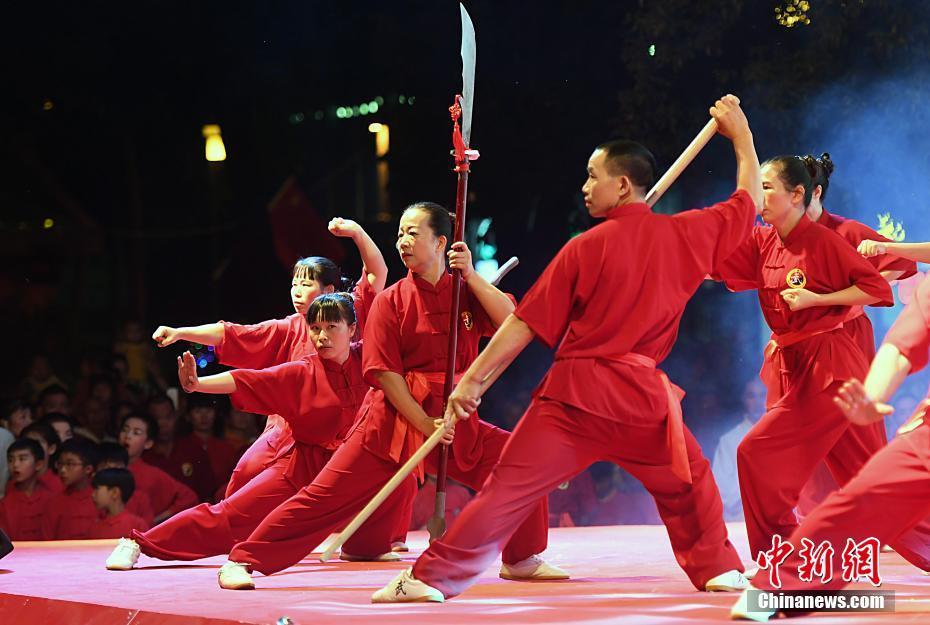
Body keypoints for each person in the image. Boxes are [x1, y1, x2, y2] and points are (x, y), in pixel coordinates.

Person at [371, 95, 759, 603]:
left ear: (622, 184)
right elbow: (747, 201)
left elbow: (523, 325)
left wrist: (472, 381)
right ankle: (720, 568)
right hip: (642, 400)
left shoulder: (585, 246)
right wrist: (742, 136)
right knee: (690, 483)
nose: (584, 185)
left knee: (508, 490)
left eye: (592, 175)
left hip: (577, 397)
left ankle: (429, 579)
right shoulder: (686, 234)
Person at [215, 204, 564, 590]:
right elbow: (385, 375)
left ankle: (521, 557)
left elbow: (509, 322)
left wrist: (472, 277)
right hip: (391, 424)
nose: (402, 241)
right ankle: (243, 559)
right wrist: (423, 422)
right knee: (322, 497)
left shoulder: (464, 293)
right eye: (400, 233)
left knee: (520, 461)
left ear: (441, 241)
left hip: (451, 416)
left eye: (412, 232)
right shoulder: (390, 301)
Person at [711, 153, 930, 572]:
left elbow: (885, 282)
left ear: (805, 193)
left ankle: (783, 557)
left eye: (769, 189)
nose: (760, 199)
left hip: (834, 360)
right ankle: (798, 550)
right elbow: (717, 255)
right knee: (868, 476)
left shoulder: (838, 235)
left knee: (762, 452)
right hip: (795, 359)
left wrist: (829, 301)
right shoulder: (766, 239)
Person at [105, 294, 407, 573]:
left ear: (353, 328)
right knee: (230, 519)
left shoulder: (370, 357)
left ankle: (366, 546)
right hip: (303, 468)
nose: (322, 335)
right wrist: (198, 385)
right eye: (314, 328)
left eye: (331, 326)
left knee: (400, 469)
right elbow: (248, 380)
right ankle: (139, 544)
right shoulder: (301, 371)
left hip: (352, 468)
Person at [731, 265, 930, 621]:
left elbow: (889, 273)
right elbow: (901, 347)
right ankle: (780, 588)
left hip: (828, 362)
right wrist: (872, 396)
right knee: (864, 496)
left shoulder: (846, 236)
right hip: (921, 436)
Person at [151, 218, 386, 499]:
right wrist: (180, 333)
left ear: (329, 291)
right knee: (246, 473)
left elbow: (376, 271)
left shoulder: (355, 310)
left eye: (306, 284)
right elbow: (234, 334)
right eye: (294, 284)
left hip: (351, 421)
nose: (296, 291)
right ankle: (234, 528)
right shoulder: (289, 327)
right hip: (291, 426)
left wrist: (356, 233)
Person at [119, 413, 198, 523]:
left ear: (148, 443)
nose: (127, 436)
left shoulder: (151, 474)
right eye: (125, 430)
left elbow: (189, 497)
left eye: (136, 433)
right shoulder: (104, 467)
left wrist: (157, 520)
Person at [711, 379, 767, 521]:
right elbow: (722, 490)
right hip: (741, 521)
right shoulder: (729, 440)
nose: (757, 402)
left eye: (762, 395)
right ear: (743, 399)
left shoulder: (781, 436)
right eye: (751, 396)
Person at [43, 438, 98, 539]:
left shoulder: (101, 500)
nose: (63, 470)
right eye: (60, 464)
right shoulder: (54, 503)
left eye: (70, 464)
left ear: (88, 469)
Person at [0, 438, 55, 540]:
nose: (15, 465)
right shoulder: (5, 504)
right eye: (11, 460)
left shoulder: (51, 499)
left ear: (39, 464)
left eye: (22, 459)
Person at [96, 442, 154, 524]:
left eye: (116, 467)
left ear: (126, 468)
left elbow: (147, 531)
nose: (111, 473)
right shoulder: (93, 496)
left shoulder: (141, 499)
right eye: (106, 467)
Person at [89, 468, 150, 539]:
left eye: (97, 489)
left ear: (115, 492)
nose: (93, 494)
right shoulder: (95, 526)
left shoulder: (137, 525)